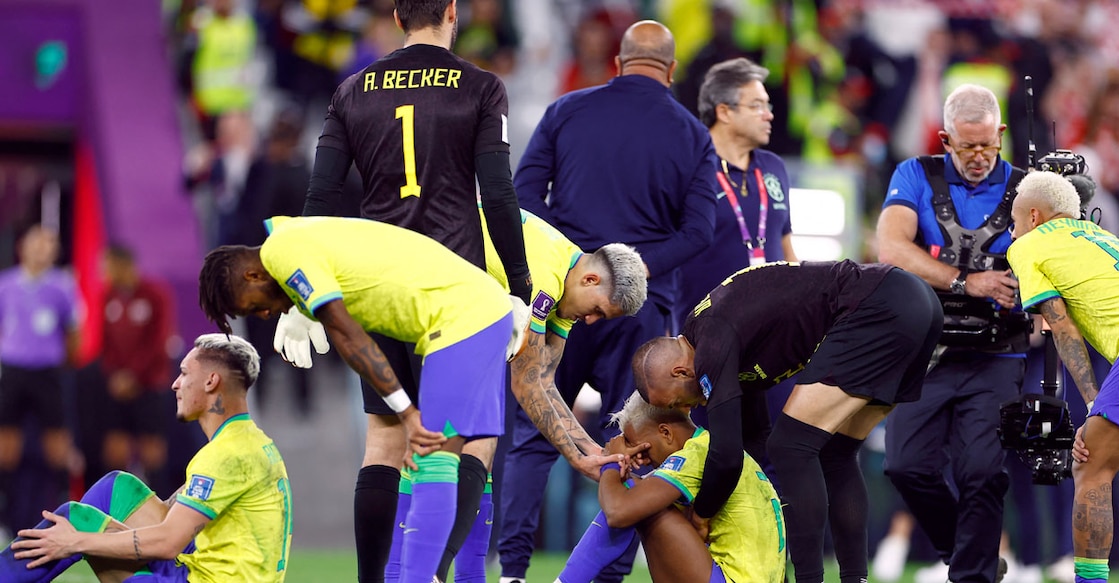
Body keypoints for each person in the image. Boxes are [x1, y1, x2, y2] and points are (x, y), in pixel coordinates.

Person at [297, 1, 532, 579]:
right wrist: (521, 287)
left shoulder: (352, 90)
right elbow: (498, 195)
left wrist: (303, 289)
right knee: (461, 444)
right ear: (453, 12)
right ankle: (430, 572)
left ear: (398, 15)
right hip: (456, 294)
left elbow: (321, 200)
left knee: (383, 441)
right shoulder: (480, 86)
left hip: (379, 287)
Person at [503, 19, 718, 583]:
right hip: (641, 318)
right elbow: (701, 231)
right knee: (634, 443)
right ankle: (606, 576)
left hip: (561, 296)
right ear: (671, 71)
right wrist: (636, 273)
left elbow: (523, 198)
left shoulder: (566, 110)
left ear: (619, 62)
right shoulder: (692, 133)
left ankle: (513, 572)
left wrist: (580, 270)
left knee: (530, 437)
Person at [198, 215, 523, 582]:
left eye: (252, 306)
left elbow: (351, 336)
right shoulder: (286, 238)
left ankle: (420, 577)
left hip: (461, 317)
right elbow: (347, 337)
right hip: (458, 317)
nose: (264, 314)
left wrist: (405, 410)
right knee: (435, 456)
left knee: (433, 457)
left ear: (251, 276)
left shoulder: (283, 253)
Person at [633, 260, 943, 583]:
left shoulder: (709, 343)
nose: (686, 408)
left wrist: (700, 514)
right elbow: (750, 441)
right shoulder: (714, 337)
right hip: (915, 302)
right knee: (834, 454)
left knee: (791, 446)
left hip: (879, 305)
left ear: (680, 372)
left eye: (675, 402)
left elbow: (725, 456)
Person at [384, 207, 648, 583]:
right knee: (456, 440)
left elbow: (545, 381)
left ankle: (450, 575)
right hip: (415, 294)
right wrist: (578, 459)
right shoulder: (544, 279)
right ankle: (419, 574)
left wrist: (594, 452)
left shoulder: (567, 276)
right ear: (591, 280)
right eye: (597, 312)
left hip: (448, 307)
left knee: (482, 439)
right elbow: (524, 385)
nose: (591, 321)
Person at [876, 83, 1030, 583]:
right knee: (904, 467)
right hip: (926, 352)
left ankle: (974, 574)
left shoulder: (1028, 189)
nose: (980, 156)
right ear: (945, 139)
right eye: (968, 147)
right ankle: (965, 553)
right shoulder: (914, 174)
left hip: (997, 355)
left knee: (982, 474)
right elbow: (892, 249)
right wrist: (969, 280)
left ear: (1001, 134)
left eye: (989, 145)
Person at [0, 333, 292, 582]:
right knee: (115, 489)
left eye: (185, 373)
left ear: (211, 382)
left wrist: (75, 542)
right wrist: (107, 533)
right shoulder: (250, 442)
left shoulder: (225, 456)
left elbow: (167, 542)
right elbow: (174, 517)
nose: (176, 384)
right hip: (216, 571)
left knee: (78, 520)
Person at [1005, 171, 1119, 583]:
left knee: (1091, 465)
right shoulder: (1098, 235)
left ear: (1033, 216)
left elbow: (1062, 325)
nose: (1012, 232)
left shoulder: (1029, 245)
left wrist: (1091, 401)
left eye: (1015, 221)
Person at [557, 392, 786, 583]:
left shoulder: (695, 454)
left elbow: (618, 513)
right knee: (640, 495)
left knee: (638, 501)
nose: (642, 460)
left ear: (665, 433)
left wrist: (611, 464)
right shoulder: (709, 447)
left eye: (641, 449)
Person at [675, 56, 797, 330]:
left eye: (768, 105)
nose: (769, 114)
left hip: (772, 331)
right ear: (724, 111)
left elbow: (786, 243)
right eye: (756, 106)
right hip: (704, 333)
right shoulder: (687, 168)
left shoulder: (774, 167)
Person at [0, 225, 81, 538]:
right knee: (6, 445)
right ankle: (5, 515)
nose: (43, 250)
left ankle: (64, 510)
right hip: (14, 370)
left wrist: (61, 362)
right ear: (23, 247)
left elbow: (73, 333)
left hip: (48, 373)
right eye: (38, 243)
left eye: (49, 245)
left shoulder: (63, 286)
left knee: (57, 444)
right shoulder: (6, 285)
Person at [94, 243, 177, 496]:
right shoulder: (107, 296)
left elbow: (159, 341)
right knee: (115, 449)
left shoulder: (155, 294)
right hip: (117, 388)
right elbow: (105, 344)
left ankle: (160, 503)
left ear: (123, 265)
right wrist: (115, 376)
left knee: (152, 450)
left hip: (149, 385)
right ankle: (118, 509)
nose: (103, 271)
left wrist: (133, 376)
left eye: (107, 265)